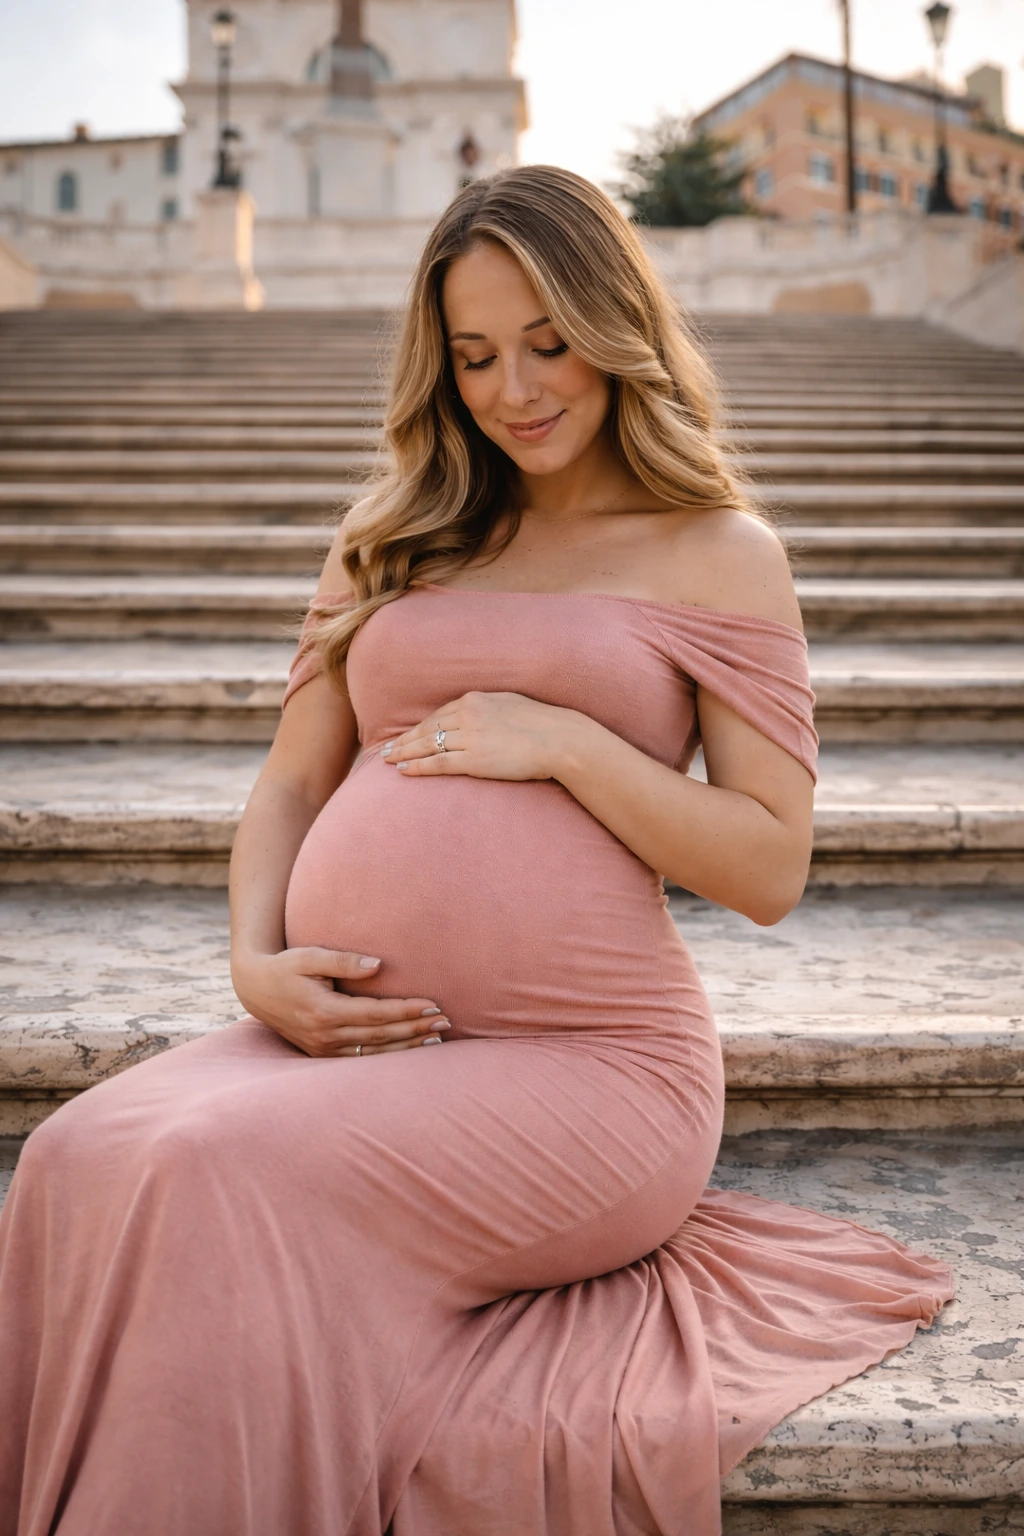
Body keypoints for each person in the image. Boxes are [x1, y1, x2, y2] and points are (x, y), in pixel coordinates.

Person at [0, 166, 952, 1536]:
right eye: (477, 355)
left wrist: (566, 743)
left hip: (591, 1071)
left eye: (550, 341)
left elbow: (768, 867)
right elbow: (290, 783)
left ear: (615, 323)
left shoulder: (716, 551)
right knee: (82, 1153)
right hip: (359, 1044)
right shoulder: (394, 533)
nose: (517, 388)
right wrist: (255, 960)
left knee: (209, 1174)